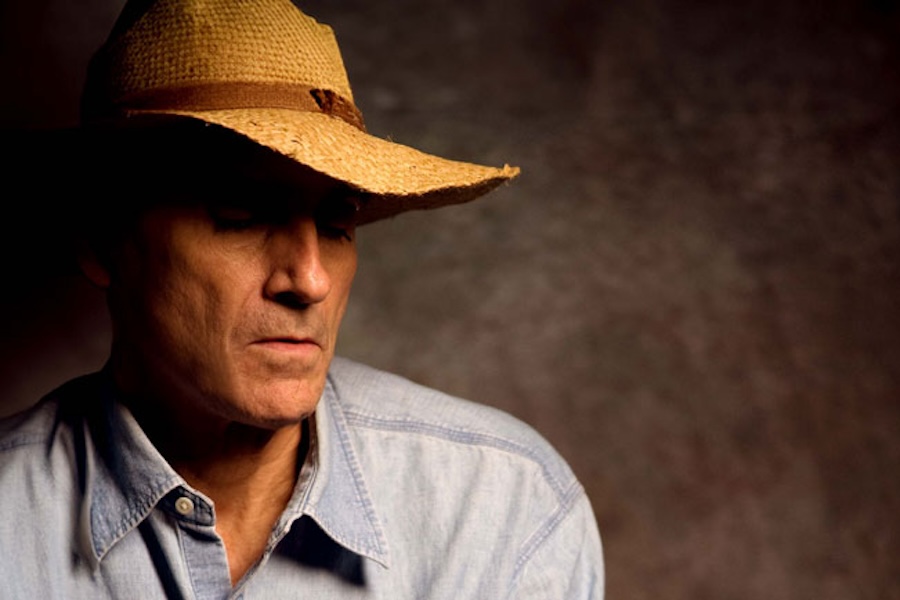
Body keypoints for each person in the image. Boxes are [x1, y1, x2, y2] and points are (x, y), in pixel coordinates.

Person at [0, 0, 604, 598]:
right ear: (104, 243)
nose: (309, 279)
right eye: (239, 214)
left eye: (338, 222)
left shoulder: (505, 510)